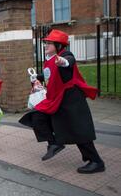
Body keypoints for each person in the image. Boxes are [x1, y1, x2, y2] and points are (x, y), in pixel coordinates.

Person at [19, 30, 105, 174]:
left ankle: (96, 162)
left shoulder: (65, 55)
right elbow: (50, 76)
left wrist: (63, 61)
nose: (45, 45)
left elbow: (69, 62)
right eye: (45, 42)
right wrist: (37, 78)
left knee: (79, 132)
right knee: (37, 116)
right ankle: (54, 143)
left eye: (49, 43)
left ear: (58, 45)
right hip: (56, 99)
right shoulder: (49, 59)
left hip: (71, 99)